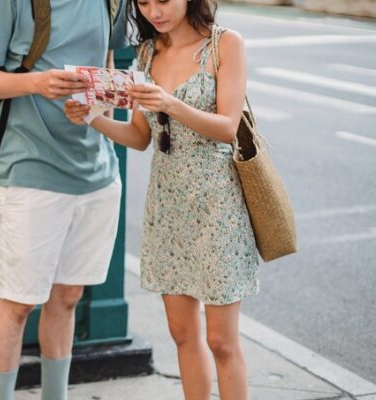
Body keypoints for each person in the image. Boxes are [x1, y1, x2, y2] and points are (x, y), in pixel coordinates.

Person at [64, 0, 258, 399]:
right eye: (145, 2)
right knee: (181, 333)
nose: (154, 10)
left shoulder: (226, 45)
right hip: (168, 206)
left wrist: (170, 103)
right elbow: (140, 137)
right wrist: (92, 118)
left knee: (221, 340)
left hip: (217, 204)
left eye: (164, 0)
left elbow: (227, 127)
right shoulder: (148, 53)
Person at [0, 1, 129, 399]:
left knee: (68, 297)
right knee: (18, 302)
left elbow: (106, 59)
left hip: (96, 169)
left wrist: (101, 107)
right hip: (28, 166)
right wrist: (36, 83)